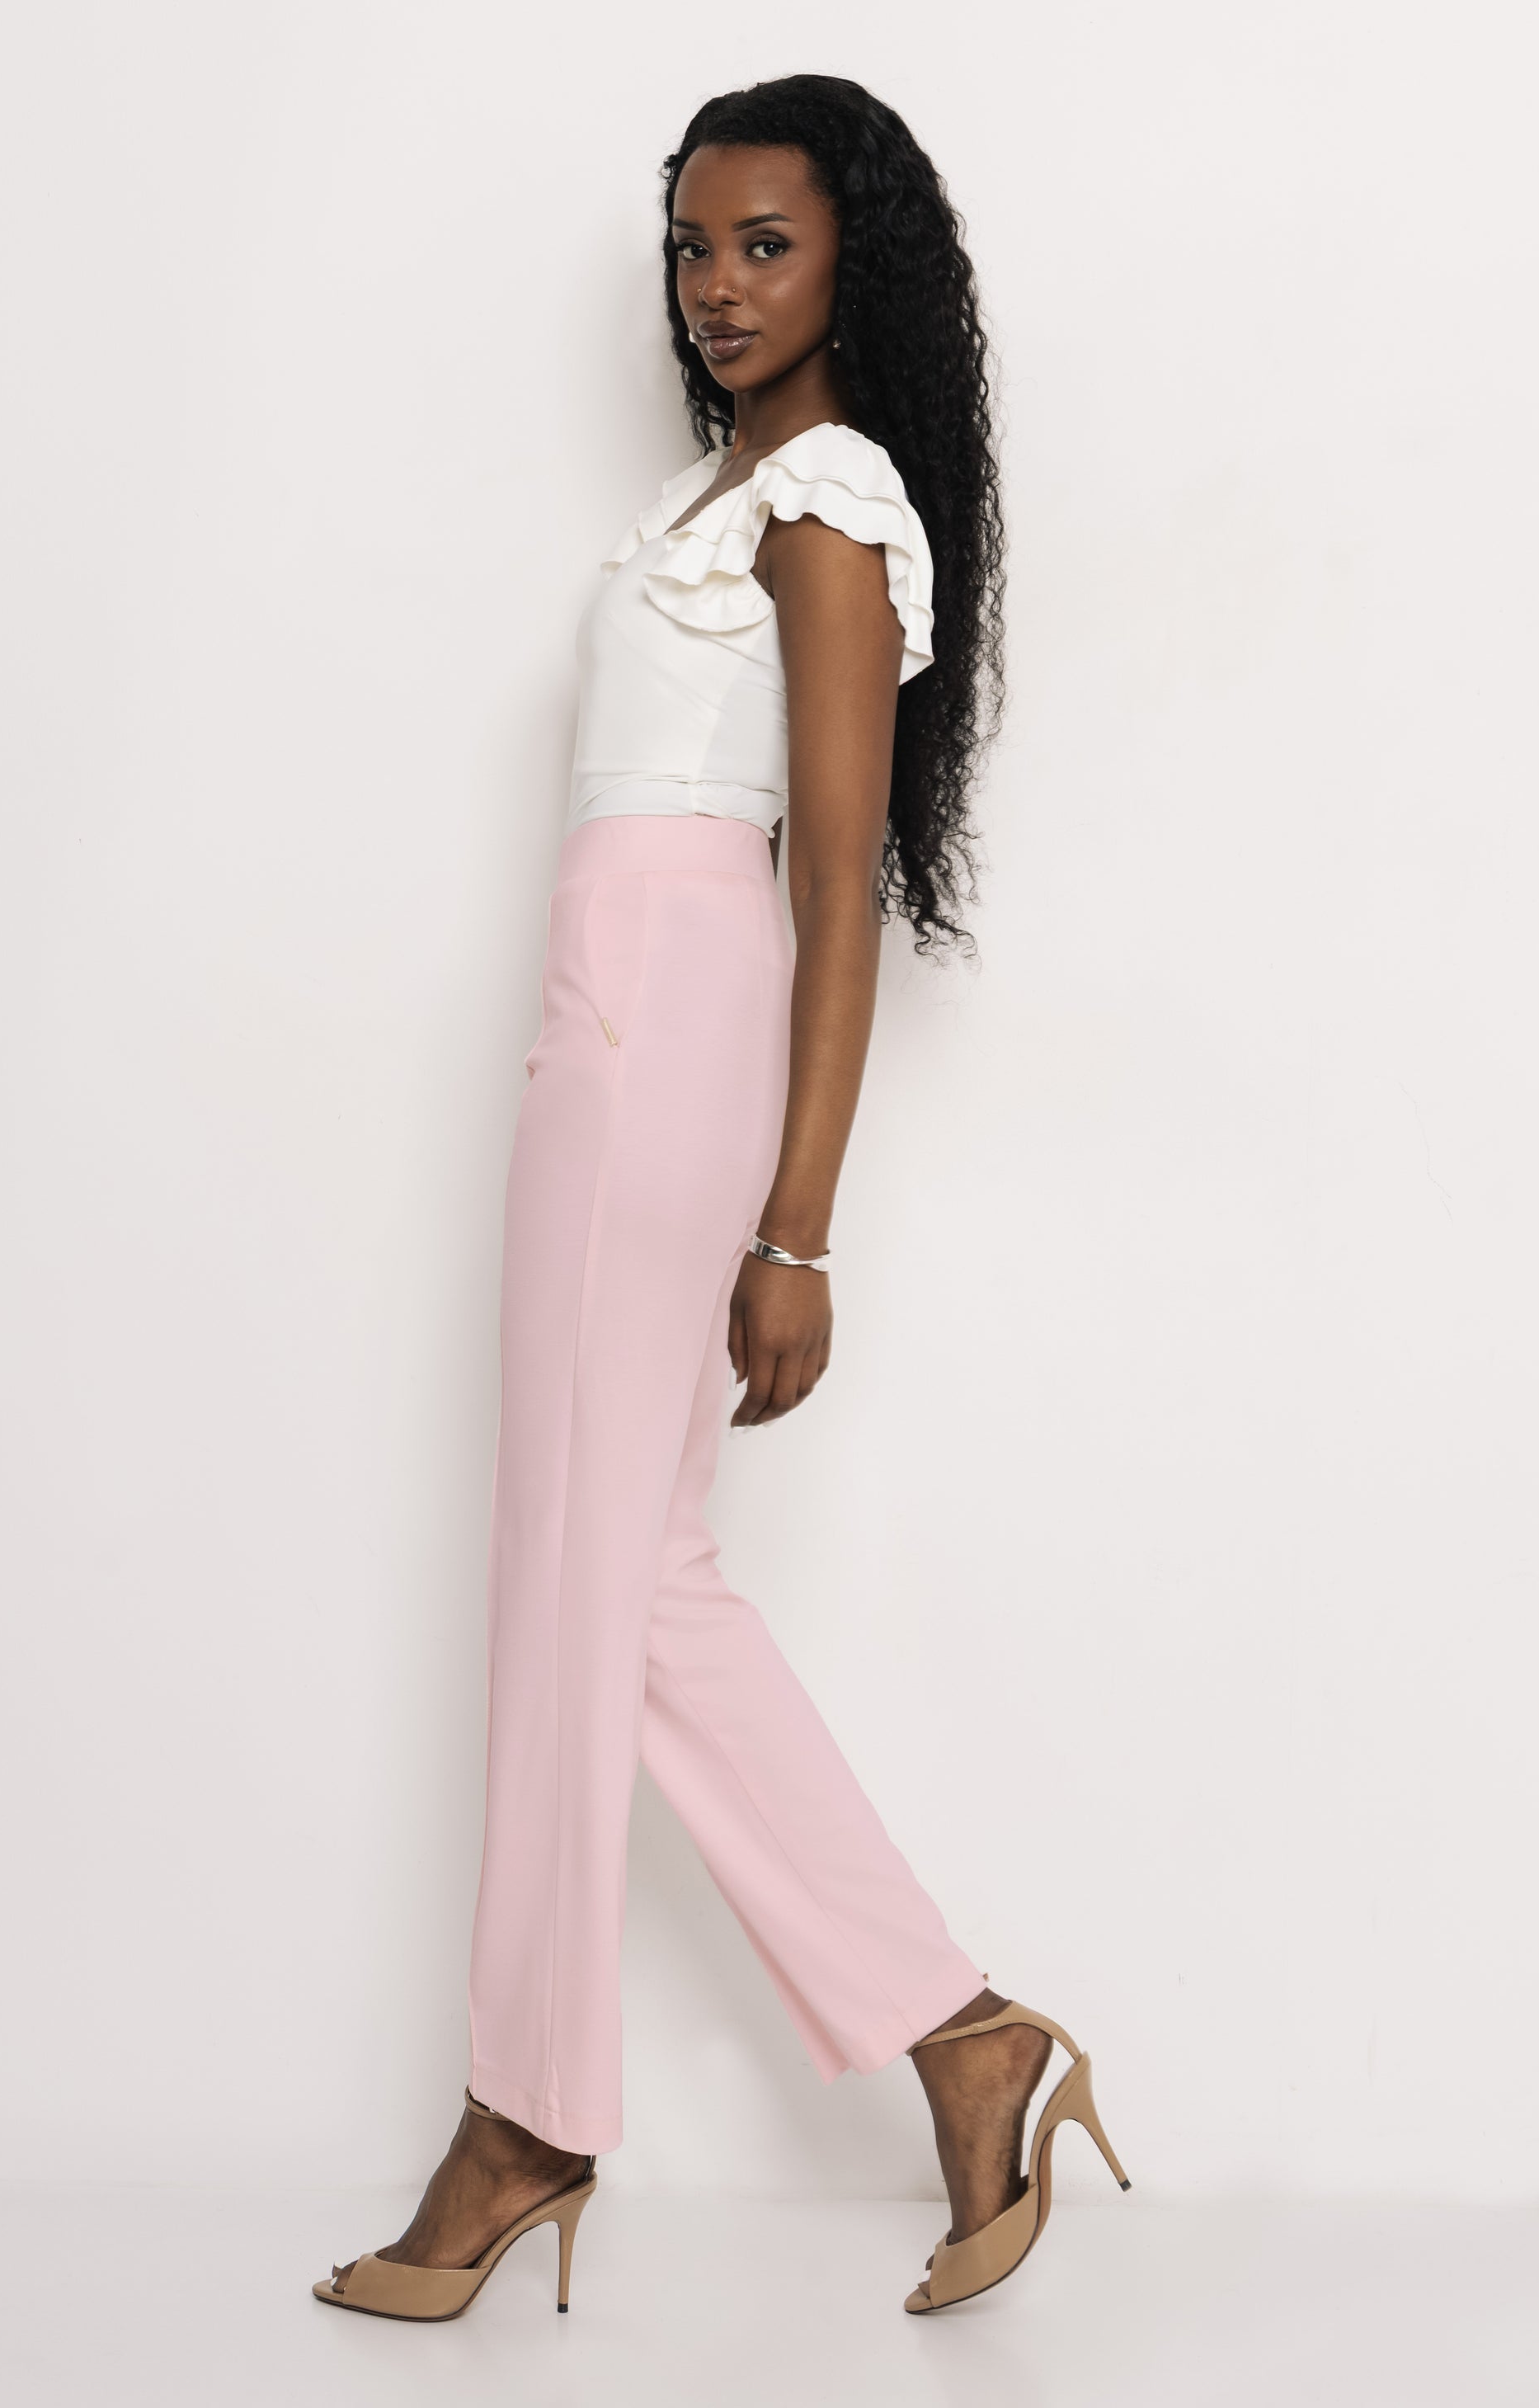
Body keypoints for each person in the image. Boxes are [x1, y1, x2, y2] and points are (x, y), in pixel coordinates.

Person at [314, 73, 1127, 2328]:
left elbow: (837, 888)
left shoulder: (830, 504)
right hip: (612, 1016)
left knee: (574, 1577)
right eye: (691, 245)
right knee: (630, 1579)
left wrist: (797, 1233)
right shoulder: (722, 494)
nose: (717, 285)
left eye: (765, 244)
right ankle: (961, 2038)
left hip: (667, 1028)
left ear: (854, 257)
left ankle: (526, 2116)